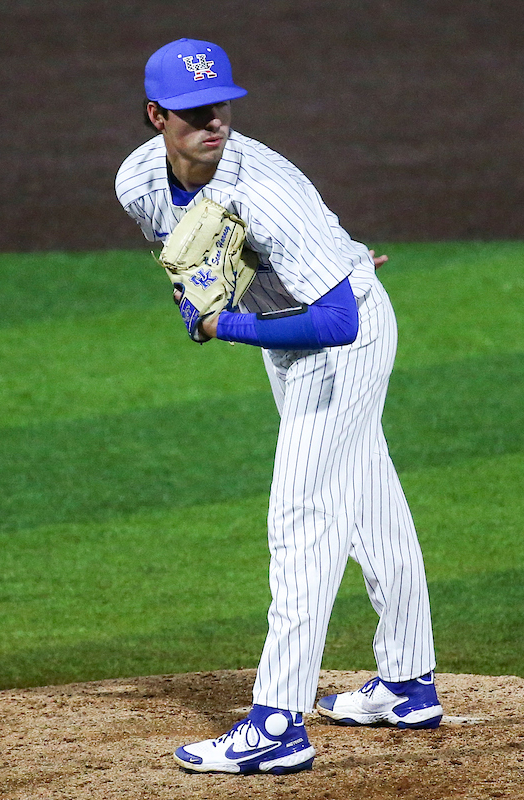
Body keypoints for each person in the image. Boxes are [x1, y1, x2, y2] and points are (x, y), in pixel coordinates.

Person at [115, 38, 442, 775]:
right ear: (156, 115)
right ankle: (407, 682)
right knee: (366, 496)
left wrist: (220, 323)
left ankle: (278, 723)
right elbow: (187, 263)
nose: (213, 122)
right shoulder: (136, 181)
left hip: (340, 339)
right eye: (195, 112)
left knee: (301, 517)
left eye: (221, 106)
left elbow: (339, 322)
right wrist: (194, 301)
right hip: (283, 338)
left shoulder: (264, 185)